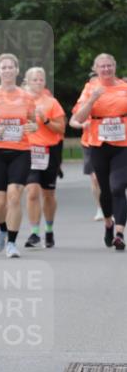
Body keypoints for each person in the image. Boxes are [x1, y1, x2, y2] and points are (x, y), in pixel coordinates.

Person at [0, 53, 38, 258]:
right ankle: (2, 229)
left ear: (17, 70)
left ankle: (12, 243)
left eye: (10, 67)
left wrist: (33, 126)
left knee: (14, 195)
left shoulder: (27, 97)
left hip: (20, 152)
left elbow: (33, 122)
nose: (7, 70)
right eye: (3, 67)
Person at [72, 53, 127, 251]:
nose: (106, 69)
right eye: (102, 66)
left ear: (115, 66)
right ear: (95, 69)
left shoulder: (124, 87)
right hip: (98, 145)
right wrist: (92, 99)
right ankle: (108, 223)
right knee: (105, 190)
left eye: (109, 65)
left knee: (118, 187)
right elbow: (78, 118)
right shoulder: (90, 88)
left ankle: (119, 233)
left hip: (122, 145)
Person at [22, 67, 66, 249]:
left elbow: (61, 129)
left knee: (48, 194)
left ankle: (49, 229)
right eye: (35, 79)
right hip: (28, 150)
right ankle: (34, 233)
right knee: (32, 191)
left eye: (41, 79)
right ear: (27, 81)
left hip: (49, 151)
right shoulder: (20, 100)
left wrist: (45, 119)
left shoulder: (51, 102)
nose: (38, 82)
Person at [70, 71, 103, 220]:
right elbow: (73, 121)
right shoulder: (83, 101)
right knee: (95, 178)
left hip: (108, 142)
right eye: (93, 83)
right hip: (89, 143)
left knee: (110, 178)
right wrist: (83, 124)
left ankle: (111, 205)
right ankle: (100, 208)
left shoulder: (111, 99)